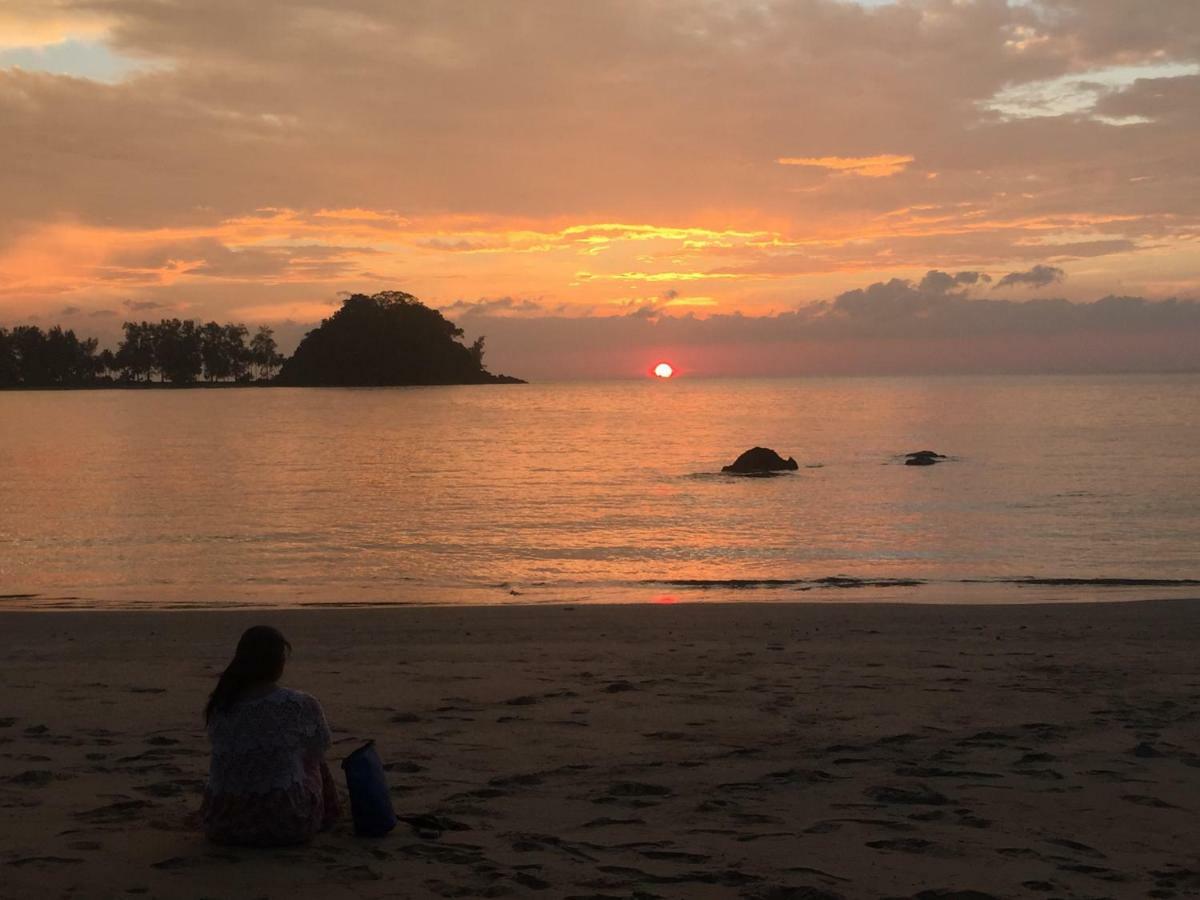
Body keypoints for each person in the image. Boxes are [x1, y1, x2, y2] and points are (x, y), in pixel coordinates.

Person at [200, 625, 340, 846]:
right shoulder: (299, 703)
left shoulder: (220, 704)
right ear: (277, 663)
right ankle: (328, 815)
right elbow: (319, 747)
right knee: (314, 760)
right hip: (286, 823)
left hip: (223, 822)